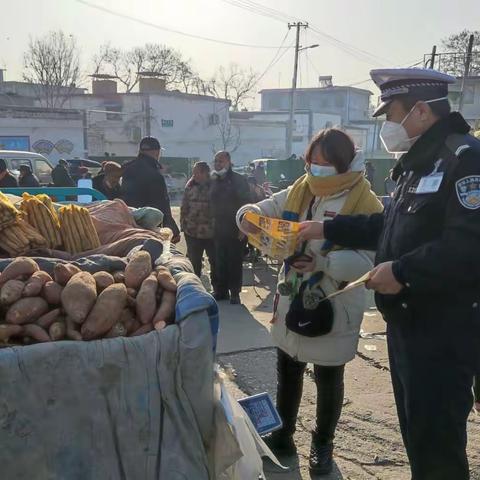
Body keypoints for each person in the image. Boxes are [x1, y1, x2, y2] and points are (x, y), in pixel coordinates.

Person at [296, 68, 480, 480]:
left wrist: (401, 270)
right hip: (407, 326)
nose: (388, 124)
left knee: (436, 446)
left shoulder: (464, 159)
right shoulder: (417, 163)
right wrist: (328, 227)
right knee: (418, 437)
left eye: (391, 113)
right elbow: (389, 226)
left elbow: (469, 245)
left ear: (419, 111)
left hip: (442, 332)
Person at [238, 129, 383, 475]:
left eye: (324, 165)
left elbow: (368, 263)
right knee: (287, 371)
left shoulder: (366, 203)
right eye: (311, 163)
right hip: (292, 298)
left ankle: (322, 445)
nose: (316, 171)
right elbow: (260, 210)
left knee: (328, 378)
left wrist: (322, 263)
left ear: (343, 164)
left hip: (334, 303)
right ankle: (284, 434)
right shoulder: (301, 190)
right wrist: (246, 216)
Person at [210, 151, 251, 304]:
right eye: (216, 161)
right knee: (219, 261)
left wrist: (243, 228)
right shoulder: (214, 180)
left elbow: (247, 205)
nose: (217, 164)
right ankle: (221, 291)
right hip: (218, 229)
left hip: (235, 229)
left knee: (234, 261)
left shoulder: (238, 180)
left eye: (221, 161)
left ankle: (235, 292)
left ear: (228, 162)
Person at [121, 136, 180, 243]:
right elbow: (162, 204)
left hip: (127, 224)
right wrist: (173, 229)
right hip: (148, 226)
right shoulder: (154, 175)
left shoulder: (127, 169)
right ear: (157, 152)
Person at [180, 161, 216, 289]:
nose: (193, 175)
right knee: (194, 262)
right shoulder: (190, 185)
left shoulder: (215, 185)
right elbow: (184, 206)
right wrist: (183, 225)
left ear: (205, 173)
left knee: (215, 261)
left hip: (212, 232)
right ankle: (194, 289)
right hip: (192, 231)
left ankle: (218, 289)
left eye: (196, 172)